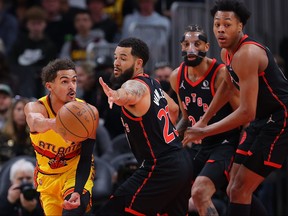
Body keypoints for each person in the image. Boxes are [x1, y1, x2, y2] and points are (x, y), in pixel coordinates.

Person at [182, 1, 288, 216]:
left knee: (240, 189)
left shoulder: (246, 54)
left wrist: (205, 131)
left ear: (240, 27)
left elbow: (246, 112)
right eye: (217, 24)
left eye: (227, 24)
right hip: (261, 120)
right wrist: (204, 119)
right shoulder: (226, 54)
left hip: (279, 120)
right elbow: (228, 87)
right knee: (234, 189)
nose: (221, 29)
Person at [97, 37, 193, 215]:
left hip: (160, 167)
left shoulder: (135, 85)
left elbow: (131, 93)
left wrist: (117, 95)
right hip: (180, 160)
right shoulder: (154, 83)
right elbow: (172, 108)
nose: (116, 62)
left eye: (123, 58)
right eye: (115, 57)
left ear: (138, 62)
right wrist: (170, 138)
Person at [170, 24, 240, 216]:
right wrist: (173, 141)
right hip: (200, 146)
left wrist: (243, 153)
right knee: (169, 188)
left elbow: (243, 114)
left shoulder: (220, 74)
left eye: (197, 44)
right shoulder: (176, 76)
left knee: (200, 193)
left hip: (226, 143)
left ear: (207, 47)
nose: (191, 49)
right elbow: (186, 119)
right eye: (186, 44)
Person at [24, 58, 99, 215]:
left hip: (74, 173)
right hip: (47, 179)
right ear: (49, 86)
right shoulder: (36, 107)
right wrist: (57, 124)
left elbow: (86, 158)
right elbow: (35, 122)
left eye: (74, 81)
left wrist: (78, 191)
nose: (72, 86)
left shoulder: (88, 113)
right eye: (65, 82)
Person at [0, 97, 34, 166]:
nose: (22, 113)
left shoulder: (34, 136)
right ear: (12, 112)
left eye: (25, 110)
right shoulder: (2, 136)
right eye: (19, 109)